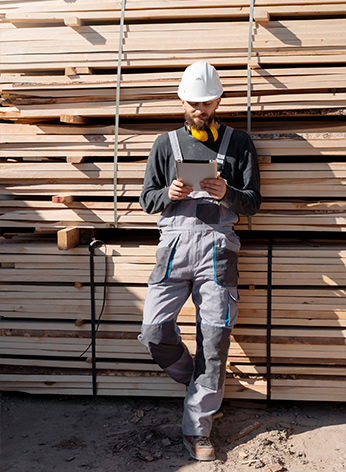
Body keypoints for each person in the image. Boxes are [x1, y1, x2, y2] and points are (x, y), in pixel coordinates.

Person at [138, 61, 261, 461]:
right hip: (173, 250)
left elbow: (253, 204)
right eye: (193, 103)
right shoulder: (165, 143)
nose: (199, 110)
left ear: (219, 100)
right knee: (154, 331)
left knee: (214, 340)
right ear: (181, 99)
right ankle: (198, 384)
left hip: (217, 252)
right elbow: (145, 201)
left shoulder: (239, 144)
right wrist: (168, 194)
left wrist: (226, 191)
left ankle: (198, 428)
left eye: (207, 103)